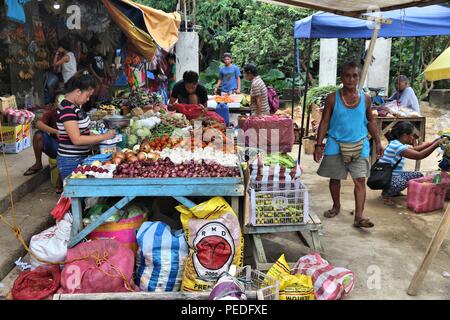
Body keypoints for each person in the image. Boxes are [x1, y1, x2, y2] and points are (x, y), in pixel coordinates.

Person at [314, 61, 383, 229]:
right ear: (342, 77)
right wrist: (318, 144)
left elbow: (371, 121)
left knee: (360, 180)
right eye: (347, 75)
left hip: (360, 145)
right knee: (335, 178)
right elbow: (324, 122)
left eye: (355, 76)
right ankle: (336, 206)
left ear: (359, 78)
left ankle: (359, 216)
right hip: (335, 144)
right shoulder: (332, 98)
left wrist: (379, 141)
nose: (351, 79)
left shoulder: (366, 99)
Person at [56, 72, 115, 181]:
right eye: (87, 96)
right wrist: (104, 137)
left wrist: (95, 137)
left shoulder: (74, 107)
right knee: (75, 194)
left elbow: (83, 131)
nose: (88, 99)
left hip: (81, 158)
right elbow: (76, 139)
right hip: (71, 160)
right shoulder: (67, 110)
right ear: (78, 91)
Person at [379, 121, 441, 206]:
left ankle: (395, 192)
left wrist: (431, 143)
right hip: (384, 177)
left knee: (418, 175)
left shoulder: (398, 143)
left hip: (392, 175)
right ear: (405, 135)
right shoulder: (397, 146)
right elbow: (418, 155)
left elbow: (416, 149)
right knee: (402, 182)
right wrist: (435, 145)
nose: (412, 138)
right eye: (411, 135)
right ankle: (385, 195)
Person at [24, 94, 65, 193]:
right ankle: (38, 163)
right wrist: (55, 131)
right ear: (55, 104)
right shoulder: (52, 112)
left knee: (72, 149)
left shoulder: (74, 112)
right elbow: (38, 124)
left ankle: (61, 179)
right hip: (55, 145)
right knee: (38, 135)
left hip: (70, 147)